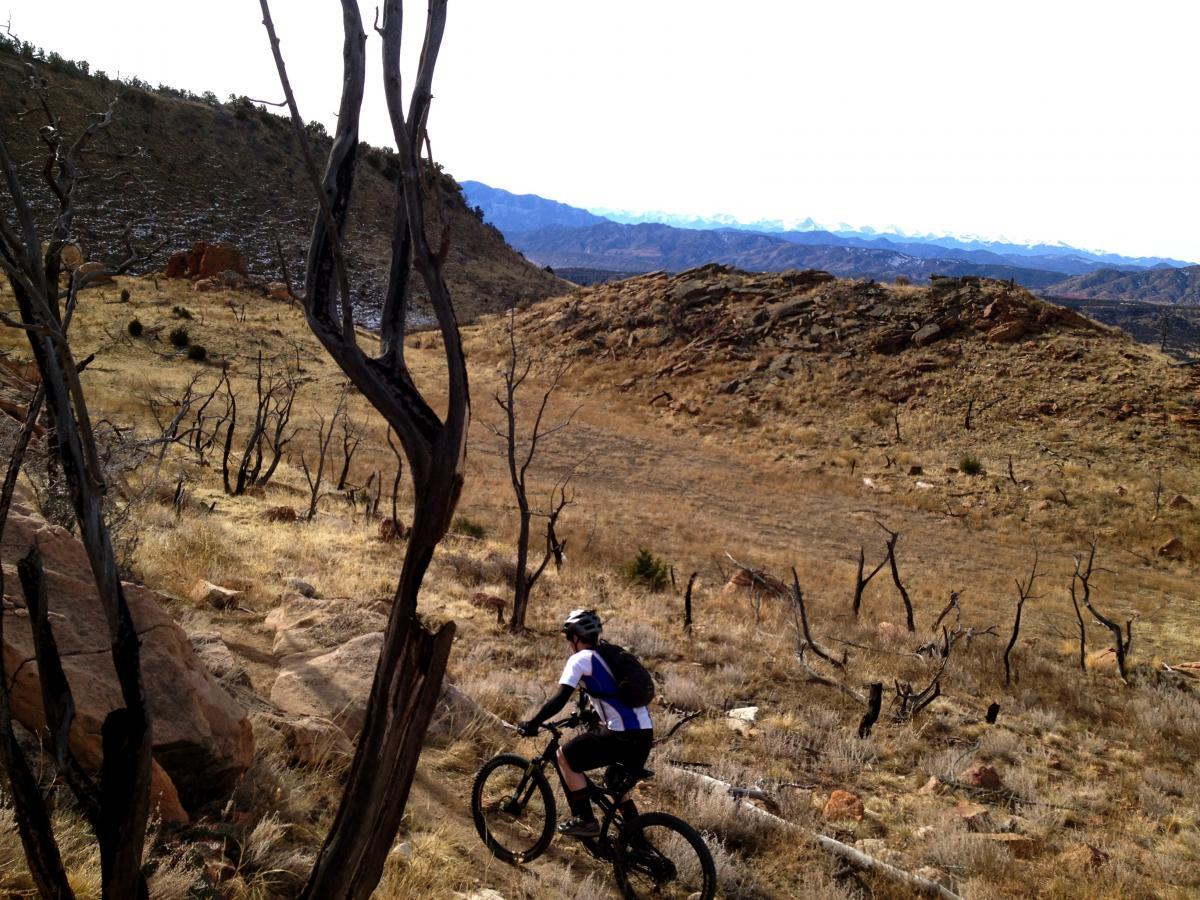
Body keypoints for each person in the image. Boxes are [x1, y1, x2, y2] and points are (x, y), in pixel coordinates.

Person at [518, 608, 654, 838]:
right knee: (615, 782)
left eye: (568, 637)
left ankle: (585, 820)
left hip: (620, 734)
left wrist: (533, 723)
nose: (569, 642)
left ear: (575, 637)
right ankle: (636, 839)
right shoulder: (608, 655)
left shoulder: (580, 659)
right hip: (644, 734)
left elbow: (560, 698)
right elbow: (608, 693)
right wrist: (586, 715)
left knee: (565, 756)